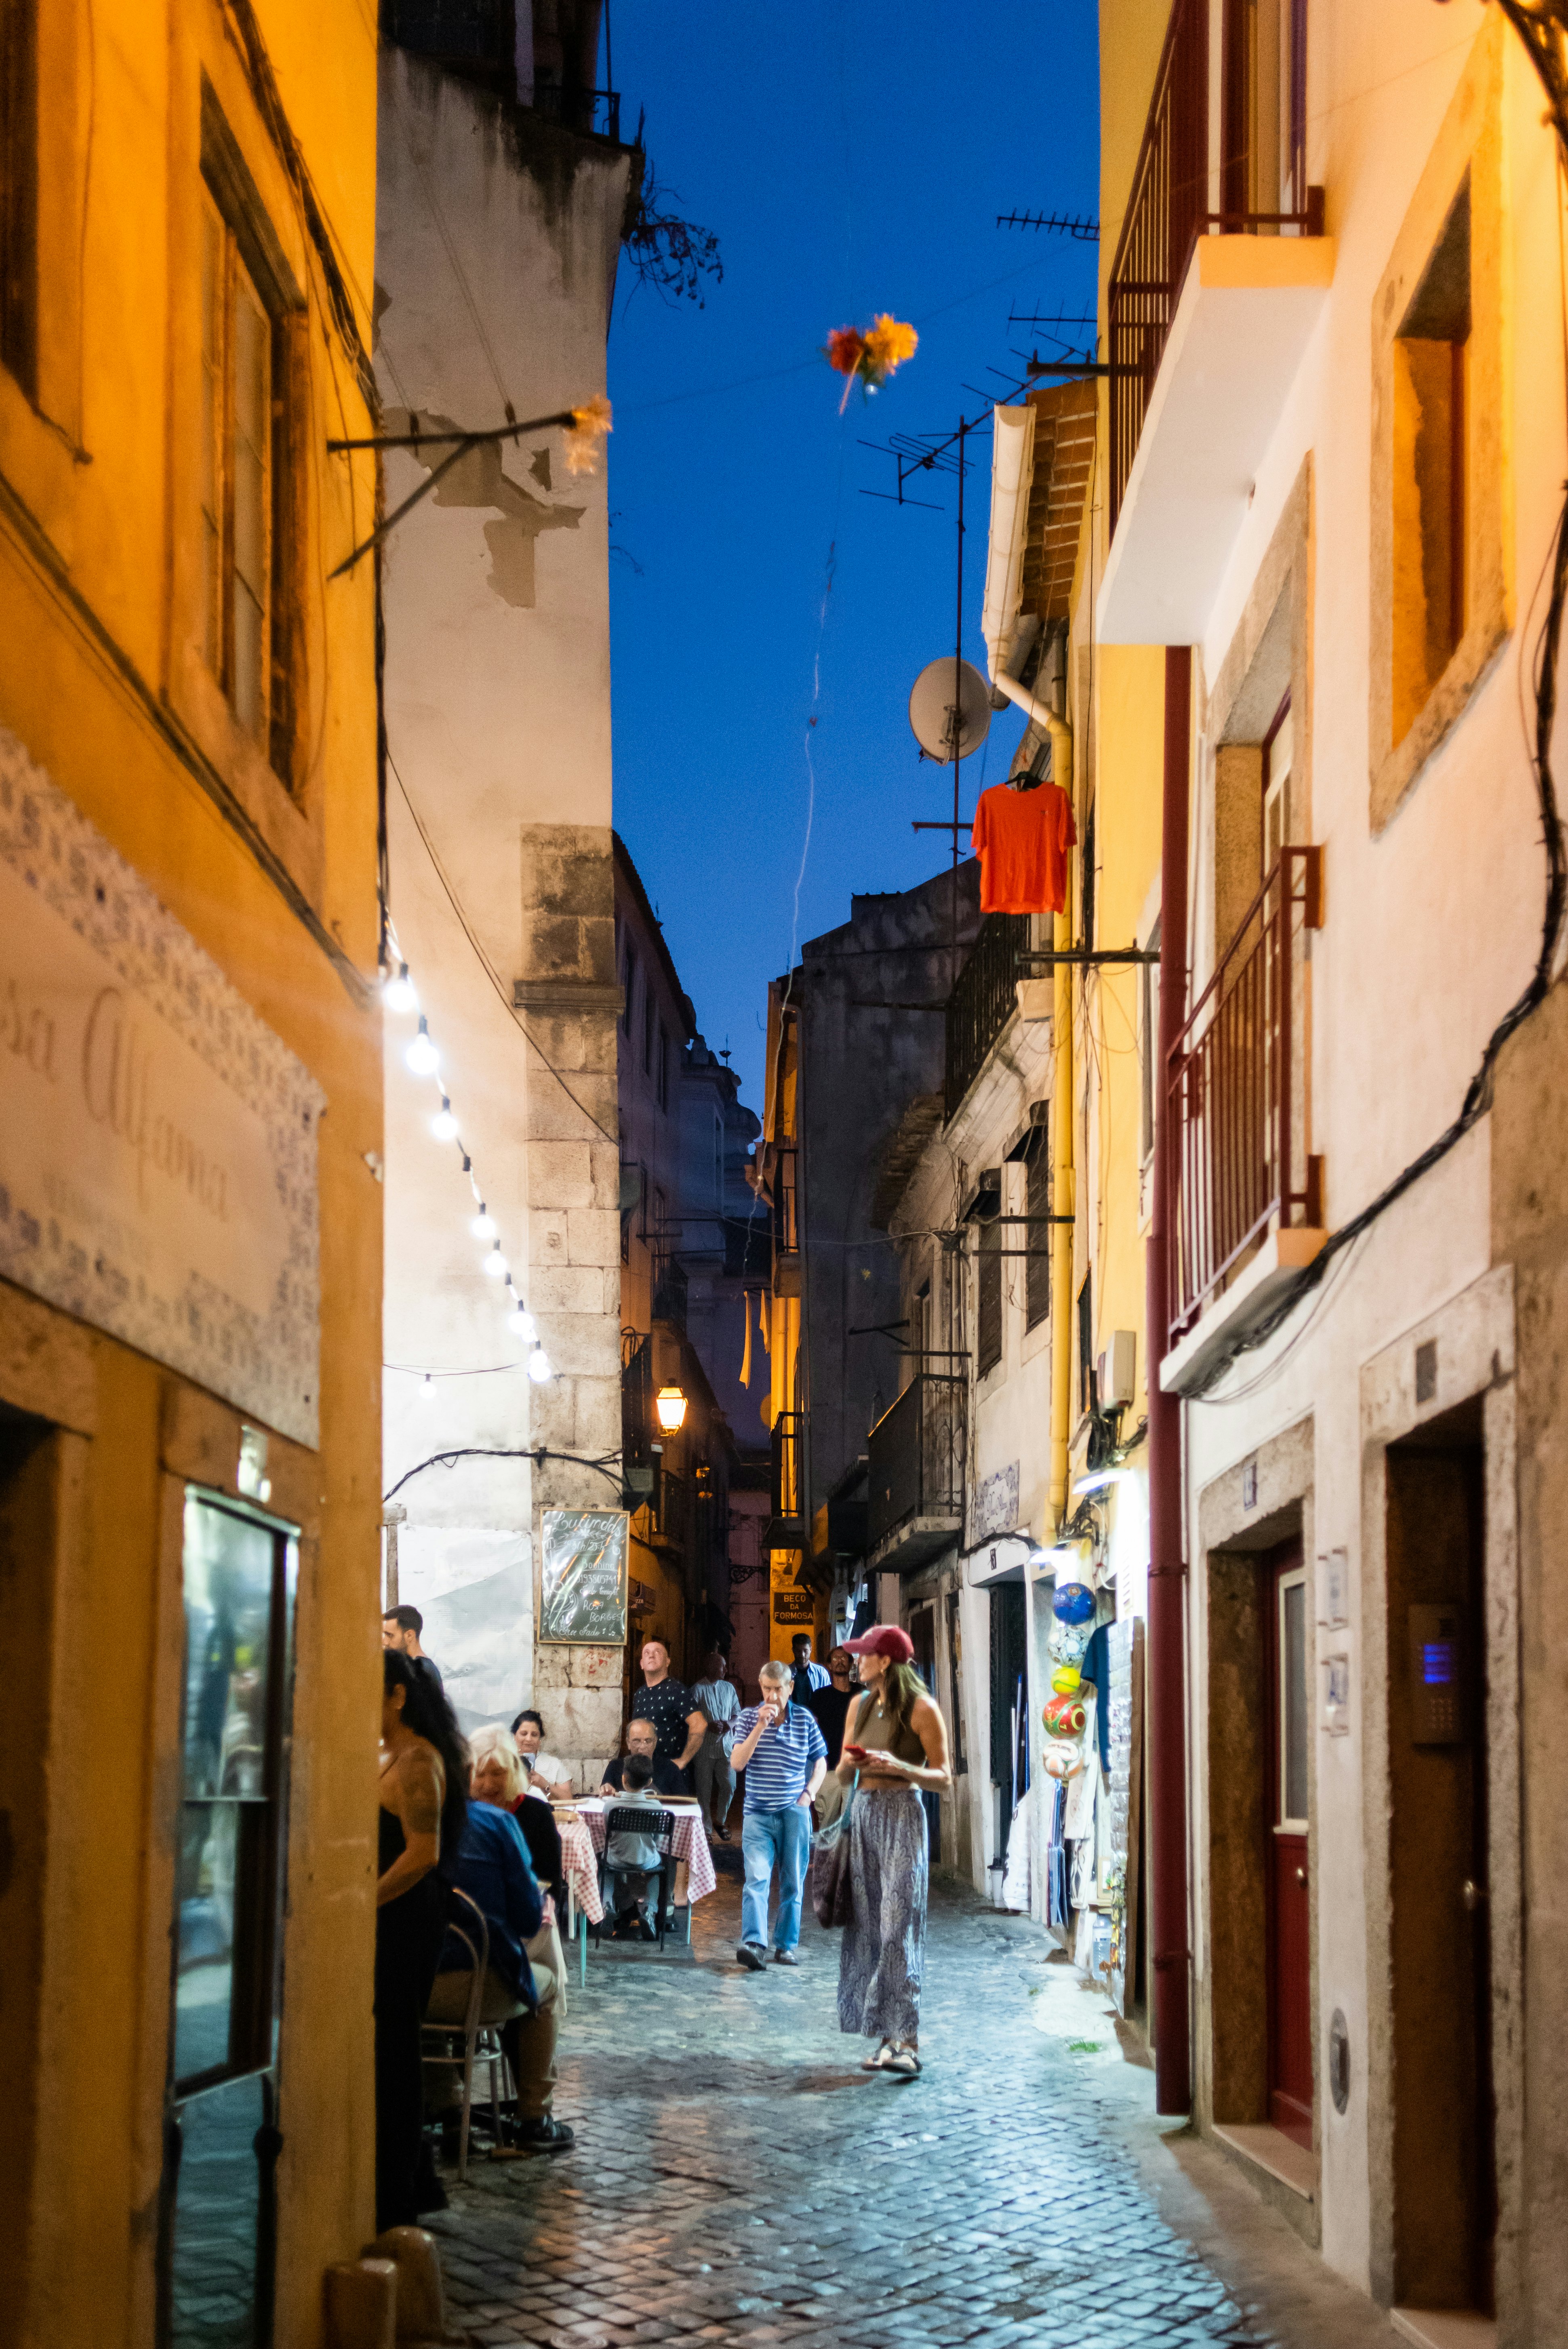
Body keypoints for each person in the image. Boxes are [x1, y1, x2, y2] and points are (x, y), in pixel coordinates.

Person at [425, 1737, 574, 2153]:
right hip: (480, 1988)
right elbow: (528, 1919)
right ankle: (534, 2117)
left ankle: (449, 2110)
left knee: (415, 1988)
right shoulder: (496, 1824)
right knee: (548, 1987)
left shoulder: (412, 1824)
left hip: (416, 1990)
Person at [834, 1624, 951, 2077]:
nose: (856, 1661)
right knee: (868, 1928)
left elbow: (944, 1778)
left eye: (864, 1655)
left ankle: (909, 2042)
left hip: (903, 1815)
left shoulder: (922, 1709)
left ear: (885, 1662)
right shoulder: (859, 1705)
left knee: (898, 1927)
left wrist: (899, 1767)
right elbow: (842, 1776)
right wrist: (851, 1763)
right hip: (864, 1814)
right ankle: (885, 2039)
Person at [376, 1650, 468, 2227]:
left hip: (407, 1919)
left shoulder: (418, 1761)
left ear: (398, 1695)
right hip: (392, 1915)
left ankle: (402, 2185)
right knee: (387, 2045)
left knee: (396, 2047)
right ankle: (409, 2175)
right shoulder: (390, 1755)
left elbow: (423, 1853)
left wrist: (364, 1901)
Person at [725, 1659, 827, 1972]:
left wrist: (809, 1794)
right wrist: (760, 1726)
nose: (772, 1696)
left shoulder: (805, 1719)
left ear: (790, 1688)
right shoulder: (747, 1718)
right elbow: (737, 1763)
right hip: (757, 1814)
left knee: (793, 1882)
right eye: (767, 1689)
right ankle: (754, 1945)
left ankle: (786, 1946)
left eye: (778, 1689)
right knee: (756, 1879)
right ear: (760, 1686)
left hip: (793, 1813)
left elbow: (820, 1761)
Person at [470, 1724, 567, 1913]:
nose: (488, 1785)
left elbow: (551, 1884)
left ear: (514, 1770)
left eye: (498, 1773)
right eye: (479, 1774)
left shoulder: (537, 1813)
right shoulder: (461, 1812)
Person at [602, 1753, 669, 1940]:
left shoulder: (611, 1806)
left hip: (616, 1858)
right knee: (657, 1871)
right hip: (647, 1860)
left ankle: (606, 1905)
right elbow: (656, 1838)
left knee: (605, 1868)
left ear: (623, 1778)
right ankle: (650, 1910)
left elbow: (608, 1833)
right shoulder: (657, 1807)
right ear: (649, 1782)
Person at [630, 1639, 706, 1787]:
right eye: (647, 1653)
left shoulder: (676, 1690)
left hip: (670, 1774)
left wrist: (683, 1760)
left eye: (657, 1652)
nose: (651, 1655)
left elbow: (700, 1724)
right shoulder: (640, 1694)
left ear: (668, 1662)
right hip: (643, 1773)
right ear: (642, 1664)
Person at [689, 1649, 741, 1841]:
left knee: (729, 1786)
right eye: (722, 1666)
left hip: (726, 1748)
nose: (726, 1670)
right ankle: (706, 1829)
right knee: (704, 1791)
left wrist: (730, 1724)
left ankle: (720, 1821)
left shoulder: (729, 1688)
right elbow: (689, 1718)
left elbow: (737, 1713)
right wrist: (707, 1725)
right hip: (704, 1749)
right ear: (710, 1667)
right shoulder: (697, 1690)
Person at [599, 1715, 687, 1797]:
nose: (642, 1747)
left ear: (655, 1742)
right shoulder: (615, 1767)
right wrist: (606, 1790)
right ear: (628, 1743)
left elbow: (682, 1802)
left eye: (648, 1741)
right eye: (637, 1741)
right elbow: (605, 1796)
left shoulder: (670, 1769)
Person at [806, 1646, 859, 1770]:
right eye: (835, 1658)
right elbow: (811, 1728)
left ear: (851, 1664)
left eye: (844, 1658)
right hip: (827, 1761)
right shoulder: (820, 1696)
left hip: (856, 1760)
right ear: (830, 1665)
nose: (840, 1661)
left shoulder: (861, 1692)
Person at [511, 1708, 572, 1800]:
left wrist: (545, 1785)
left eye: (534, 1735)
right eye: (524, 1734)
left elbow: (568, 1799)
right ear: (514, 1736)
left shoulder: (554, 1764)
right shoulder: (505, 1762)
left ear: (540, 1740)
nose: (529, 1739)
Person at [383, 1604, 444, 1693]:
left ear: (410, 1636)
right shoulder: (416, 1668)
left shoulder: (422, 1670)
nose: (385, 1642)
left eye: (390, 1635)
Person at [789, 1632, 831, 1705]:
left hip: (816, 1712)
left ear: (811, 1649)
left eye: (806, 1651)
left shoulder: (821, 1673)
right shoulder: (785, 1673)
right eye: (799, 1651)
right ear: (793, 1650)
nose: (802, 1655)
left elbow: (828, 1698)